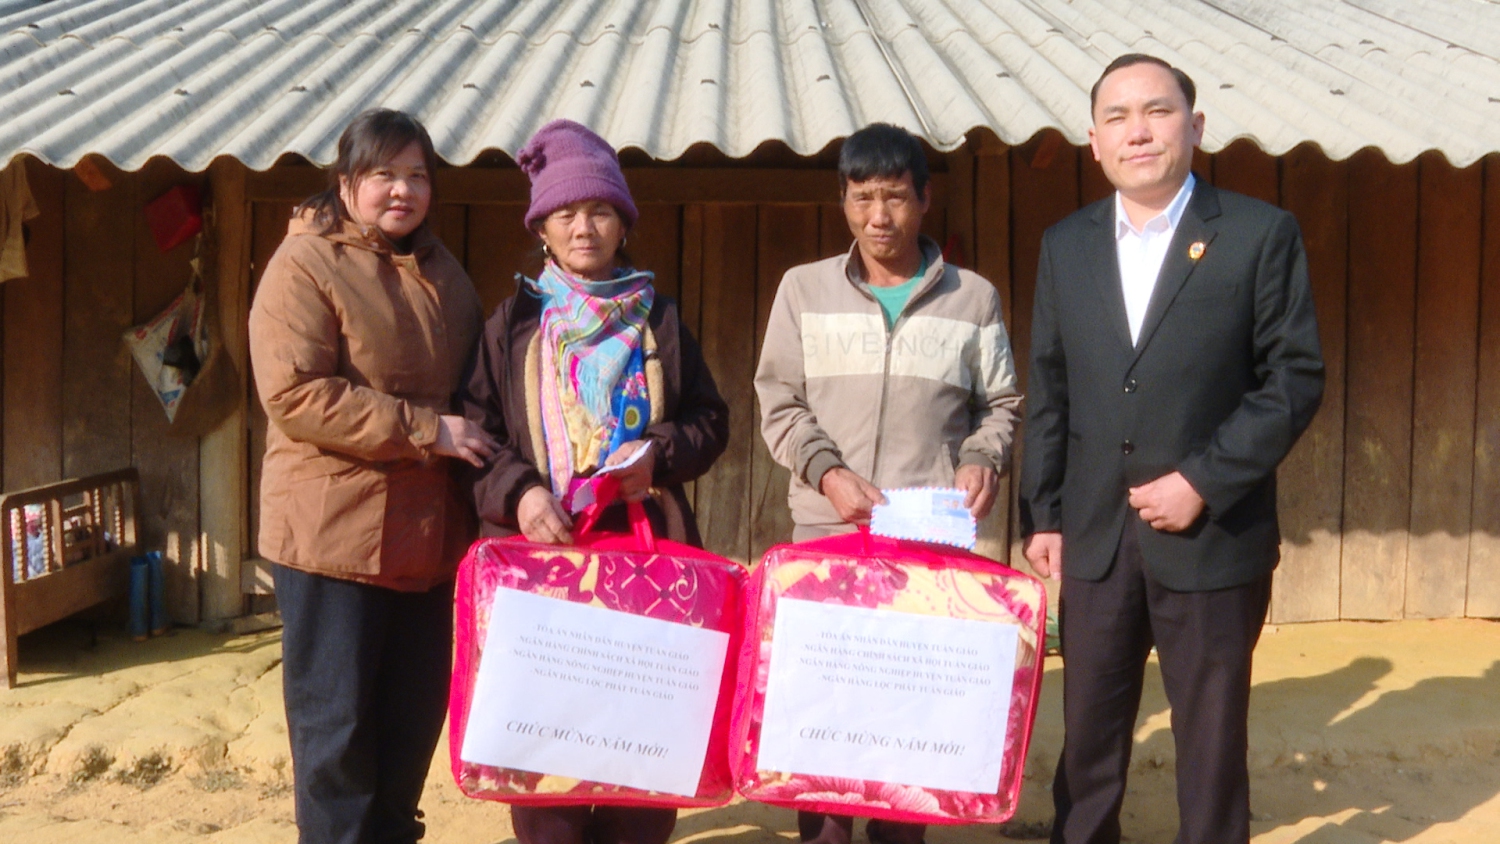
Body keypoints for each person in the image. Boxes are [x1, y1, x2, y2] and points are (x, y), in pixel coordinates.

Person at [1020, 54, 1325, 844]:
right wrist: (1042, 514)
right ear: (1094, 141)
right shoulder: (1067, 243)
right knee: (1087, 741)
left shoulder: (1258, 233)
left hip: (1210, 535)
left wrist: (1203, 479)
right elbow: (1049, 387)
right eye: (1118, 117)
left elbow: (1293, 380)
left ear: (1194, 127)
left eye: (1157, 112)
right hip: (1094, 538)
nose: (1139, 131)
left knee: (1212, 745)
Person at [458, 118, 729, 844]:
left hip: (645, 562)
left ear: (623, 223)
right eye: (567, 212)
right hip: (543, 568)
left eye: (600, 210)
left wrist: (659, 456)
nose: (585, 227)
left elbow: (711, 418)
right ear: (541, 225)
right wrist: (522, 493)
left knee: (641, 773)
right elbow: (477, 437)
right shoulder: (513, 324)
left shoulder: (658, 322)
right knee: (550, 781)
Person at [754, 122, 1023, 844]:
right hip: (827, 532)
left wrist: (982, 458)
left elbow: (1000, 403)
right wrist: (828, 471)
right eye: (863, 197)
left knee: (910, 724)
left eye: (896, 197)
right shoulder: (802, 291)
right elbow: (779, 400)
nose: (880, 217)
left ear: (925, 199)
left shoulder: (973, 299)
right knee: (825, 722)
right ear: (842, 201)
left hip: (927, 540)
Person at [248, 109, 495, 844]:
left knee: (409, 723)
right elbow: (293, 394)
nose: (403, 190)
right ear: (347, 181)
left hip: (426, 542)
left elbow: (476, 393)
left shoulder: (443, 272)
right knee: (338, 733)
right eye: (384, 174)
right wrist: (427, 430)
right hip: (334, 539)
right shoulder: (306, 263)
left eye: (418, 175)